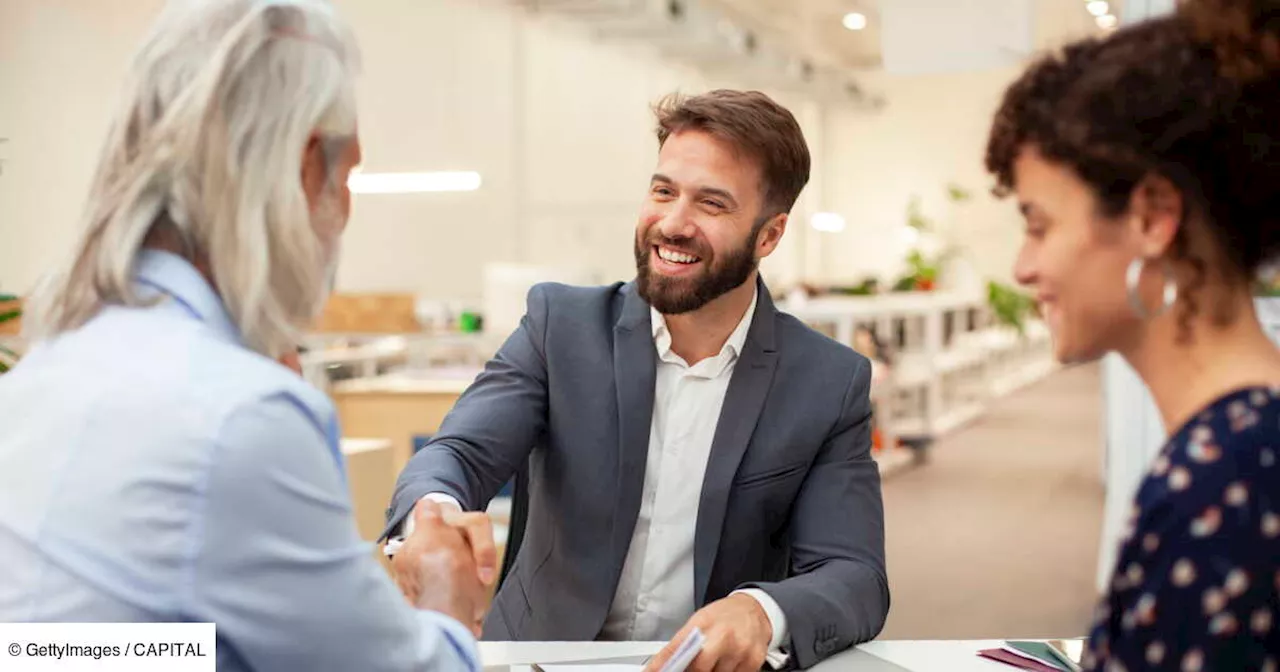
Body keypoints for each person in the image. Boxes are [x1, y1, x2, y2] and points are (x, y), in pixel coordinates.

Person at [0, 1, 493, 670]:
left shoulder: (45, 370)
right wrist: (445, 600)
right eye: (348, 176)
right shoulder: (241, 417)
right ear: (303, 169)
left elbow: (88, 650)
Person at [384, 90, 889, 671]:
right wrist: (433, 514)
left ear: (769, 235)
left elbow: (855, 575)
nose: (673, 224)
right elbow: (459, 453)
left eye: (713, 204)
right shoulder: (561, 329)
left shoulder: (827, 381)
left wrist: (760, 611)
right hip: (541, 654)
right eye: (663, 191)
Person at [984, 0, 1280, 668]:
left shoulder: (1221, 486)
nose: (1023, 267)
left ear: (1152, 216)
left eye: (1039, 224)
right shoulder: (1241, 449)